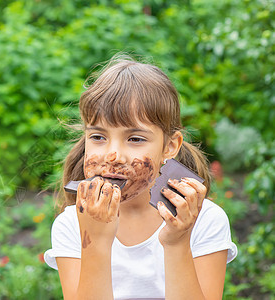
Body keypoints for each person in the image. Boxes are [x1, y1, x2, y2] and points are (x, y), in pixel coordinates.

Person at [44, 54, 237, 300]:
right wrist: (95, 241)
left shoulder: (204, 220)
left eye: (135, 139)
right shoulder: (72, 225)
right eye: (98, 137)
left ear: (170, 146)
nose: (113, 156)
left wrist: (177, 242)